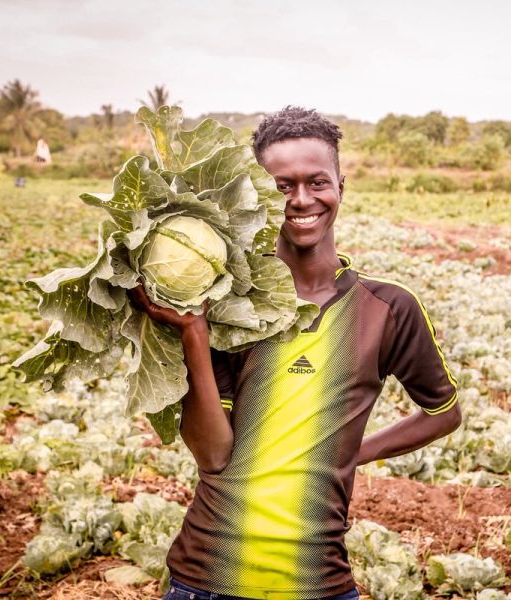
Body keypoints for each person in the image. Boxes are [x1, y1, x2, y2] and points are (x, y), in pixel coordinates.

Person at [129, 106, 462, 600]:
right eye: (282, 186)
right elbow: (213, 454)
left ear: (341, 187)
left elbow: (443, 413)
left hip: (319, 580)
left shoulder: (387, 309)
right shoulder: (229, 304)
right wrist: (194, 332)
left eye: (317, 182)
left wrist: (347, 453)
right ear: (258, 197)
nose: (302, 199)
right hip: (207, 576)